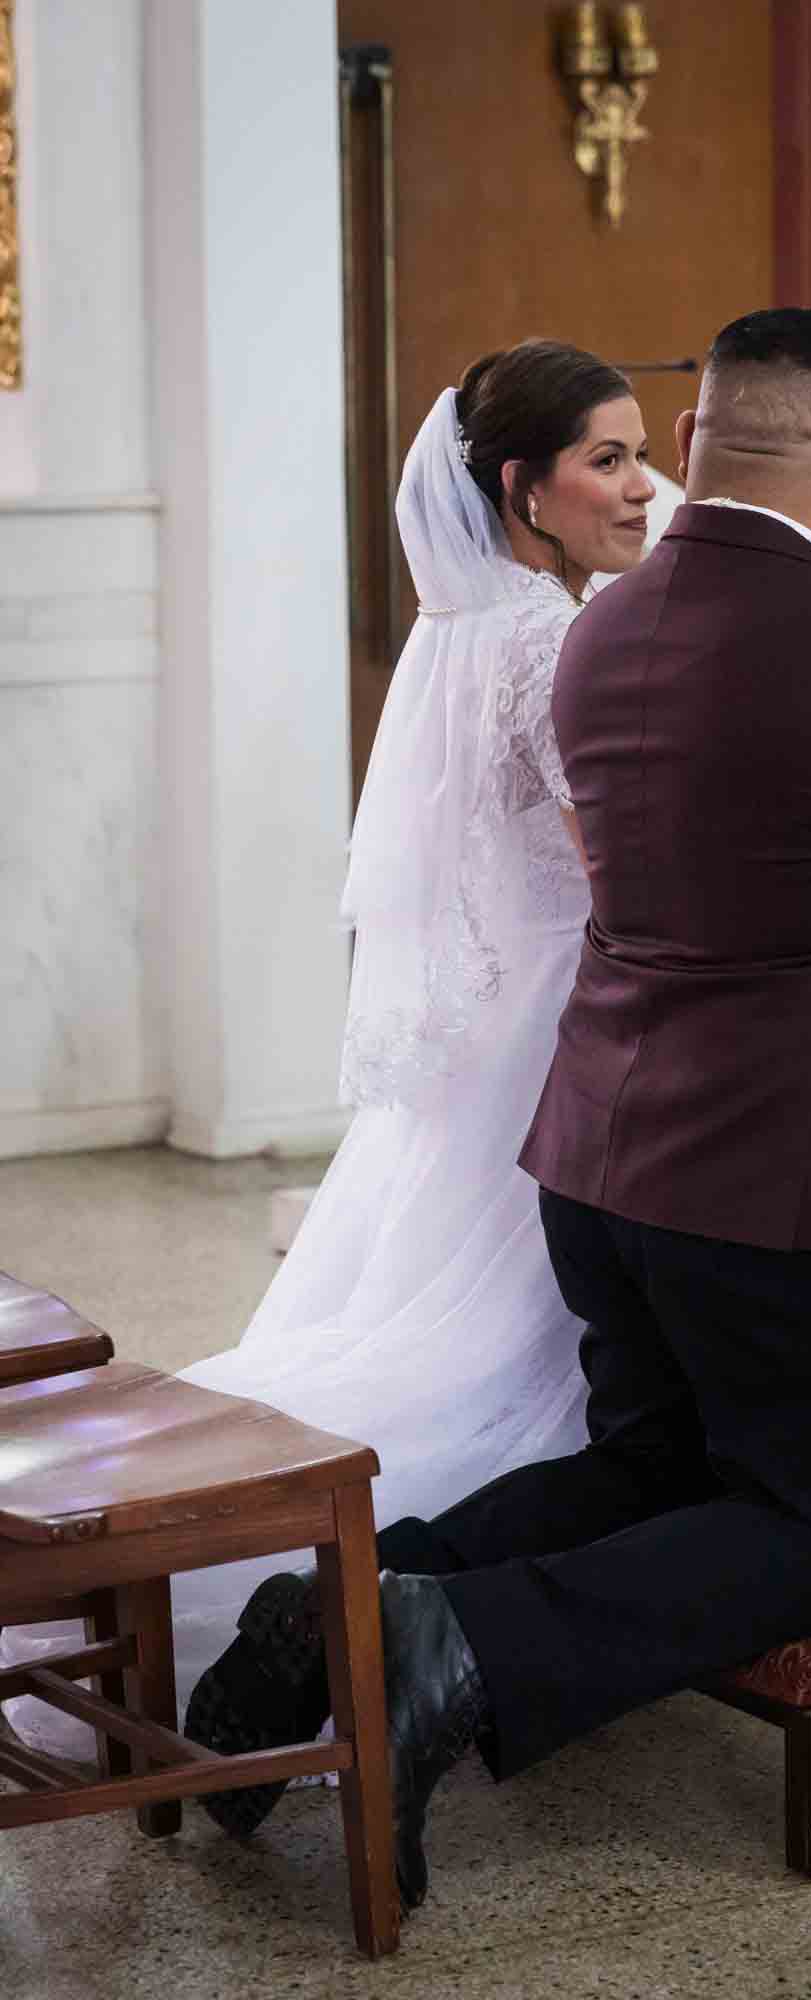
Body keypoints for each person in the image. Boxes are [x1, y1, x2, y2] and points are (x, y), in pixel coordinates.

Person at [189, 309, 811, 1908]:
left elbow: (771, 837)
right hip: (793, 1183)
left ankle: (357, 1592)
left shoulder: (601, 633)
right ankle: (453, 1634)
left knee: (658, 1467)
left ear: (700, 448)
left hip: (605, 1156)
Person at [0, 341, 658, 1764]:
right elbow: (625, 865)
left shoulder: (463, 629)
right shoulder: (554, 639)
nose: (642, 482)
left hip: (491, 1026)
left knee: (454, 1312)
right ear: (520, 488)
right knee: (523, 1339)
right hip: (560, 1024)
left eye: (639, 450)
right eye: (607, 456)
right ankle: (416, 1597)